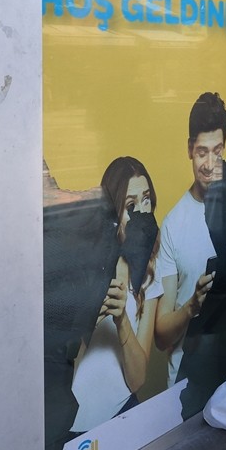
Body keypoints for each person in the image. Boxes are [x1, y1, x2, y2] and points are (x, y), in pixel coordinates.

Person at [69, 157, 162, 433]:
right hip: (74, 426)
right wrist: (85, 324)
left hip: (122, 414)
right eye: (131, 206)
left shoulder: (149, 277)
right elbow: (64, 371)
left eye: (146, 200)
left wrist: (122, 321)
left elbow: (137, 380)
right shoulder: (86, 269)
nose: (142, 212)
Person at [155, 93, 226, 395]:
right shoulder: (173, 225)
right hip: (187, 386)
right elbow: (161, 335)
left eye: (217, 152)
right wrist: (192, 306)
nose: (210, 165)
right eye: (201, 152)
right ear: (189, 150)